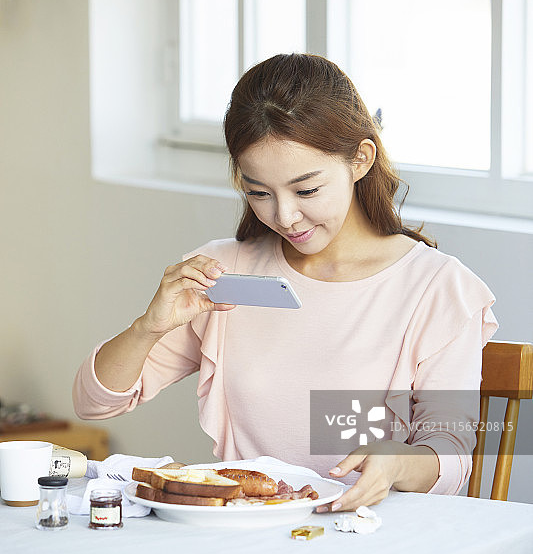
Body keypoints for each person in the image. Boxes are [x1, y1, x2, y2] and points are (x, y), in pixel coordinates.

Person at [73, 53, 498, 511]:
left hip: (371, 534)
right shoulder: (222, 271)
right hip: (249, 534)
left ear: (361, 158)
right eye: (259, 193)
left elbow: (450, 458)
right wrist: (147, 327)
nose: (285, 216)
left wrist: (394, 462)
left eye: (306, 190)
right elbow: (94, 406)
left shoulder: (437, 288)